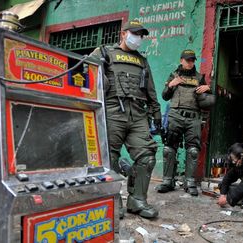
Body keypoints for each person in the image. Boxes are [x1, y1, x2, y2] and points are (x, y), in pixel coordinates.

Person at [90, 20, 161, 219]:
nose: (138, 38)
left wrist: (156, 115)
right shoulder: (104, 52)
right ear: (123, 34)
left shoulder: (142, 61)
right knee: (109, 158)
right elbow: (85, 73)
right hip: (113, 109)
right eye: (135, 33)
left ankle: (137, 200)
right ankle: (112, 201)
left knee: (147, 156)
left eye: (141, 35)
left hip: (138, 113)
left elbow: (151, 90)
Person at [155, 49, 211, 196]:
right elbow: (165, 96)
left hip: (194, 117)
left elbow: (207, 101)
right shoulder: (174, 75)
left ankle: (190, 181)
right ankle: (168, 180)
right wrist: (171, 85)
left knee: (193, 150)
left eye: (192, 60)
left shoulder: (199, 77)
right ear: (181, 60)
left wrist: (208, 88)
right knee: (169, 149)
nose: (190, 63)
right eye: (188, 60)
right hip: (176, 116)